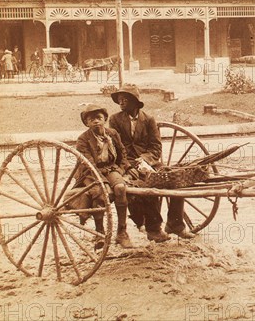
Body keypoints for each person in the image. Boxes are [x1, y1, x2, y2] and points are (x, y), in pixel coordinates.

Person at [109, 84, 196, 242]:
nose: (120, 101)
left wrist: (145, 158)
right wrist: (130, 164)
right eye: (119, 99)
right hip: (125, 163)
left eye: (124, 99)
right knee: (145, 185)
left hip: (148, 161)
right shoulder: (115, 120)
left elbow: (156, 147)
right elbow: (115, 147)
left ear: (134, 101)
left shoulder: (148, 120)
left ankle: (175, 224)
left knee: (175, 179)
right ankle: (153, 228)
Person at [75, 104, 136, 249]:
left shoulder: (112, 134)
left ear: (104, 119)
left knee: (120, 188)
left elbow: (122, 154)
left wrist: (123, 169)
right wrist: (102, 182)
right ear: (87, 123)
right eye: (91, 120)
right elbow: (88, 162)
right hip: (91, 172)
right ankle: (100, 233)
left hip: (111, 168)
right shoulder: (83, 139)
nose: (96, 121)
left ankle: (122, 232)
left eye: (98, 118)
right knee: (100, 194)